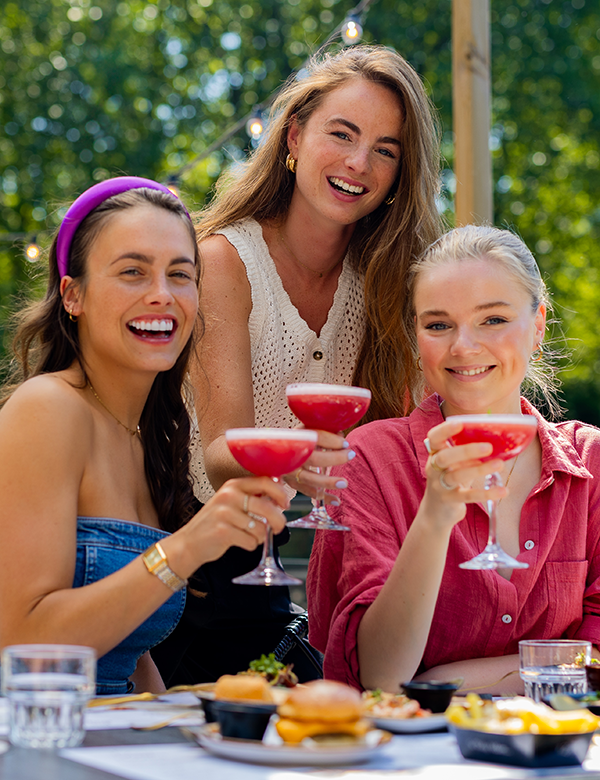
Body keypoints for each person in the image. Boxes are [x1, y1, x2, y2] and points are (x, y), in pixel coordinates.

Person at [152, 44, 443, 685]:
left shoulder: (386, 285)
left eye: (386, 150)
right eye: (342, 134)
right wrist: (307, 452)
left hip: (264, 560)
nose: (358, 163)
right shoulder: (225, 261)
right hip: (173, 563)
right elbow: (220, 452)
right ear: (293, 136)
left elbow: (407, 433)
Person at [0, 177, 288, 694]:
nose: (162, 294)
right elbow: (22, 642)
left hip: (115, 744)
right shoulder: (47, 409)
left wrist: (189, 714)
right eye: (133, 272)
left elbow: (127, 652)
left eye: (181, 275)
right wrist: (188, 548)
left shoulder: (148, 437)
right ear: (73, 295)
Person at [307, 225, 600, 695]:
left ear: (539, 327)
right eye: (438, 324)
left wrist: (452, 682)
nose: (463, 346)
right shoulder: (370, 459)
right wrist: (436, 516)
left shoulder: (591, 461)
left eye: (493, 319)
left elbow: (598, 658)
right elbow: (382, 678)